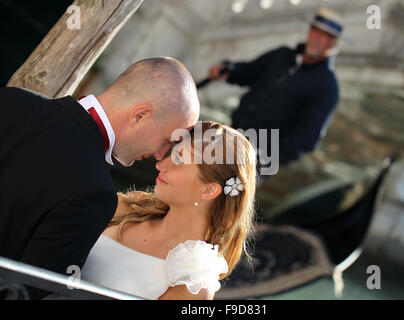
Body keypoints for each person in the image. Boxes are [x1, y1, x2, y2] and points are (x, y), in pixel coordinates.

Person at [0, 57, 200, 299]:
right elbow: (25, 292)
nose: (158, 154)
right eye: (167, 141)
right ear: (140, 115)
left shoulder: (13, 99)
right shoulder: (95, 193)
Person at [81, 121, 257, 299]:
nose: (160, 165)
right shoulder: (131, 206)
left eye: (179, 159)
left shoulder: (193, 283)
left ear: (209, 190)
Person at [208, 7, 343, 168]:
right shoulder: (282, 55)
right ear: (309, 31)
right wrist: (228, 70)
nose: (317, 39)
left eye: (325, 36)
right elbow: (250, 71)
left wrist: (268, 159)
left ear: (333, 43)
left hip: (257, 160)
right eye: (316, 31)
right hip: (233, 135)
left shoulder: (327, 86)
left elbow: (307, 137)